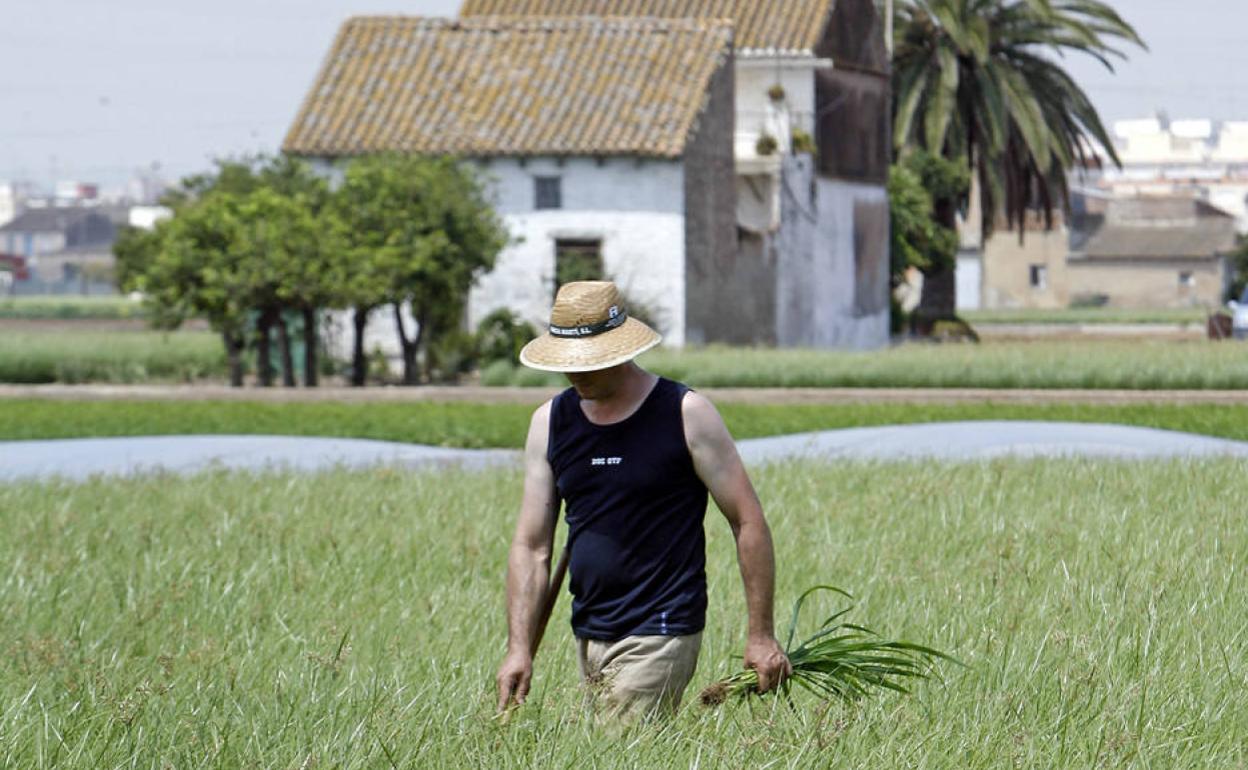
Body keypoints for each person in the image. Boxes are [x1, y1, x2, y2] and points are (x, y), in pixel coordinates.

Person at [495, 281, 790, 720]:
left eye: (588, 361)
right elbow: (532, 546)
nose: (575, 373)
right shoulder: (550, 423)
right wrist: (518, 648)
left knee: (619, 752)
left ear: (620, 350)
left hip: (662, 626)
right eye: (567, 362)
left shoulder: (685, 414)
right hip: (590, 628)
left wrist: (761, 634)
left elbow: (748, 521)